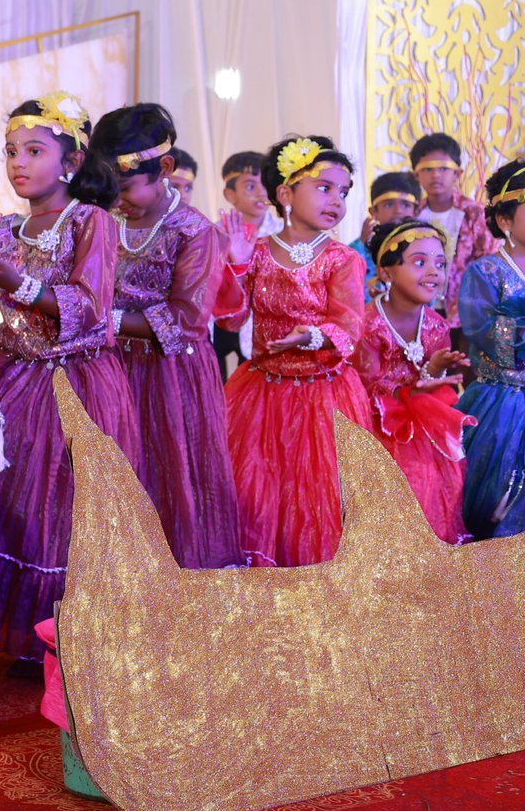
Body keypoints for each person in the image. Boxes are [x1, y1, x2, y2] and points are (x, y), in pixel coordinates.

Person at [0, 92, 139, 664]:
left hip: (73, 384)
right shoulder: (4, 228)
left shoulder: (91, 221)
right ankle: (3, 627)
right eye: (11, 152)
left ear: (72, 160)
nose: (18, 163)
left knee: (60, 509)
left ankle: (65, 639)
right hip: (5, 378)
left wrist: (20, 284)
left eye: (34, 150)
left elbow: (90, 307)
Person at [90, 105, 241, 568]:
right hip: (106, 367)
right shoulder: (102, 219)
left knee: (166, 479)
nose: (116, 199)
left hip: (170, 376)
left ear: (166, 168)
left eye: (125, 187)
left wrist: (99, 317)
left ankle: (171, 590)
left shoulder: (196, 232)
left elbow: (185, 320)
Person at [218, 135, 367, 567]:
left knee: (320, 496)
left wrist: (312, 336)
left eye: (343, 192)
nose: (336, 200)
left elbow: (350, 325)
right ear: (285, 194)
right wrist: (236, 264)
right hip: (262, 393)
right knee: (257, 492)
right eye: (324, 188)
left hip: (325, 395)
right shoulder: (257, 253)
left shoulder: (342, 259)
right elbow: (230, 320)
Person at [354, 220, 471, 544]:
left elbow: (432, 383)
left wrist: (434, 372)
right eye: (419, 262)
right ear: (387, 272)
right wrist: (415, 386)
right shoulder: (368, 324)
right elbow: (365, 389)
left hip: (423, 426)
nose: (433, 272)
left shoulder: (437, 325)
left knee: (434, 482)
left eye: (440, 264)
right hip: (376, 428)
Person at [458, 160, 525, 540]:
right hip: (503, 403)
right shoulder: (486, 273)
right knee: (500, 501)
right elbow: (497, 346)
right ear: (504, 220)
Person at [411, 133, 496, 344]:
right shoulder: (412, 215)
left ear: (457, 173)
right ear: (416, 175)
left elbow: (489, 261)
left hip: (467, 312)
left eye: (443, 168)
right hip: (419, 311)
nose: (435, 175)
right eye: (427, 169)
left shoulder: (475, 213)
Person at [211, 151, 277, 379]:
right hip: (218, 319)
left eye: (265, 184)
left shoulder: (280, 233)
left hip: (259, 323)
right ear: (230, 194)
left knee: (252, 383)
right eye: (250, 186)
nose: (261, 192)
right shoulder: (211, 233)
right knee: (214, 380)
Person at [350, 171, 421, 302]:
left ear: (416, 211)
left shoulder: (423, 247)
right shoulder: (356, 250)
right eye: (389, 204)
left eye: (405, 205)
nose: (398, 211)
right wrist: (361, 244)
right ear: (373, 212)